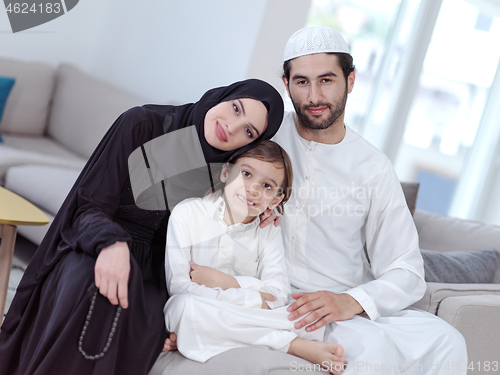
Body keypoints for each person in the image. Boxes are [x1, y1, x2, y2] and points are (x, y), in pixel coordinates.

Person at [0, 79, 284, 375]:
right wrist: (111, 243)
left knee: (144, 319)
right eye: (236, 108)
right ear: (222, 97)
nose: (233, 127)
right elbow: (88, 204)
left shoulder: (227, 171)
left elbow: (245, 204)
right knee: (96, 288)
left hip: (159, 273)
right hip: (95, 241)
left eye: (248, 131)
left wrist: (261, 215)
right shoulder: (143, 125)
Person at [269, 25, 468, 373]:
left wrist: (350, 300)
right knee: (373, 350)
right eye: (302, 82)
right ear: (286, 85)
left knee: (447, 341)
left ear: (351, 79)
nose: (314, 96)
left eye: (327, 80)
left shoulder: (373, 167)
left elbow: (406, 270)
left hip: (341, 303)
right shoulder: (266, 135)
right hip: (276, 295)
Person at [163, 140, 345, 374]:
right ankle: (291, 345)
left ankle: (204, 335)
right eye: (246, 174)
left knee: (306, 318)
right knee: (181, 308)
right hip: (212, 308)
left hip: (226, 313)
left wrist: (226, 283)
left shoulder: (268, 231)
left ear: (276, 200)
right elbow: (179, 287)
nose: (254, 189)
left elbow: (278, 296)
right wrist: (253, 296)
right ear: (226, 172)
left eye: (267, 186)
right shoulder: (187, 214)